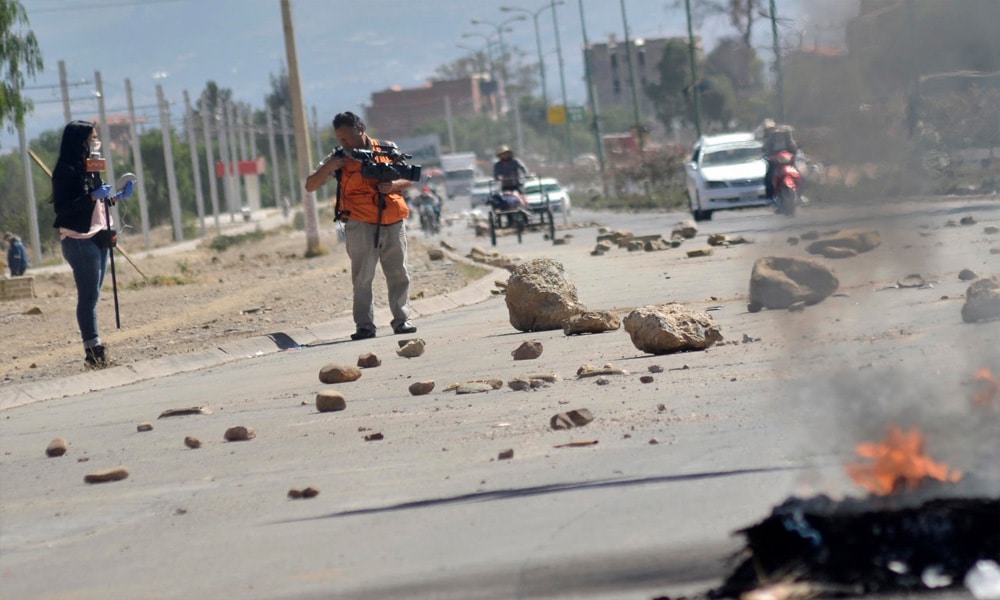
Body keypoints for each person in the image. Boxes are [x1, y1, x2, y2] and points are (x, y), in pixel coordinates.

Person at [305, 111, 416, 341]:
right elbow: (310, 185)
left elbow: (409, 178)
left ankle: (402, 319)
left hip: (392, 219)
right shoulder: (338, 158)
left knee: (398, 273)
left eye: (347, 138)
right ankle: (364, 326)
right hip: (360, 222)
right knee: (363, 277)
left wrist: (393, 185)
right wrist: (330, 166)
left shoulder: (387, 149)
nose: (344, 143)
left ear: (361, 130)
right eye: (340, 139)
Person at [50, 120, 132, 369]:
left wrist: (115, 197)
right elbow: (64, 208)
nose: (95, 142)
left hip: (100, 234)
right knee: (88, 296)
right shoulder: (66, 171)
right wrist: (90, 196)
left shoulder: (91, 166)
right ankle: (93, 349)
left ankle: (95, 346)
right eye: (91, 138)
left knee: (94, 295)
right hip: (78, 239)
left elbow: (98, 203)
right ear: (80, 141)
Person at [759, 119, 799, 202]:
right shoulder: (770, 140)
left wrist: (795, 153)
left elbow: (793, 147)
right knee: (769, 176)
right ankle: (770, 196)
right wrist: (767, 156)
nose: (779, 136)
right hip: (775, 162)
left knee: (800, 173)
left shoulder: (787, 137)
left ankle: (801, 194)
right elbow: (765, 149)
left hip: (789, 161)